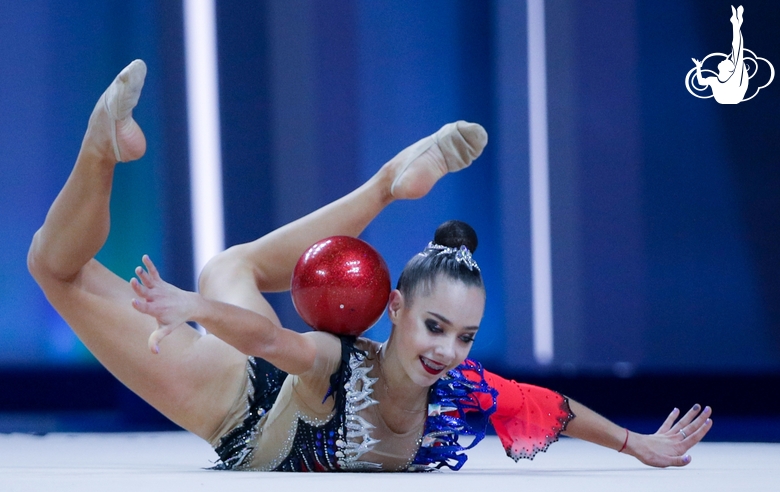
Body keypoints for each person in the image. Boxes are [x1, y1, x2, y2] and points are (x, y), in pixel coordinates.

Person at [28, 60, 712, 472]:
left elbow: (551, 408)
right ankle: (100, 150)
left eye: (465, 338)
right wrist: (192, 311)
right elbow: (271, 342)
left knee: (227, 263)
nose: (447, 350)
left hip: (255, 379)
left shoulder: (458, 386)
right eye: (435, 327)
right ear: (393, 310)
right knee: (56, 269)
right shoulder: (335, 356)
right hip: (236, 402)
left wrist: (636, 444)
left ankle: (387, 184)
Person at [692, 5, 748, 104]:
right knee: (737, 52)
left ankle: (736, 23)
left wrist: (736, 25)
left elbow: (737, 49)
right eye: (727, 61)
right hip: (728, 97)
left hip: (733, 96)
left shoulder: (733, 77)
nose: (724, 59)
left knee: (737, 51)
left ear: (729, 69)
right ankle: (736, 23)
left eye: (727, 61)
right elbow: (701, 82)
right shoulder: (714, 80)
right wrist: (698, 67)